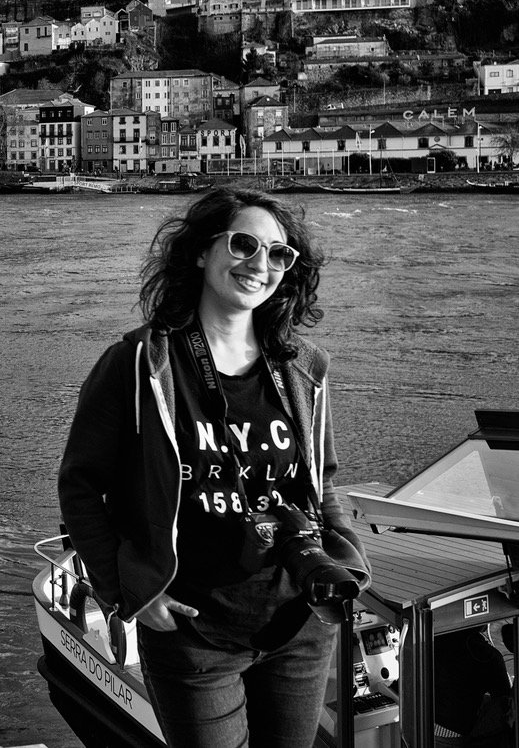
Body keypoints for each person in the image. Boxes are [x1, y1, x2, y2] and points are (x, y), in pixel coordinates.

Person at [58, 187, 369, 748]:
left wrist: (347, 557)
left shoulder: (304, 367)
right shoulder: (140, 364)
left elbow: (322, 480)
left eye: (279, 254)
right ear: (203, 252)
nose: (261, 264)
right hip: (193, 633)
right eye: (245, 244)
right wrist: (128, 591)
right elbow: (80, 487)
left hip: (297, 625)